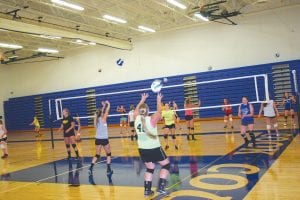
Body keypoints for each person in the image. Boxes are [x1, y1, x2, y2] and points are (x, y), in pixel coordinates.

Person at [134, 93, 170, 196]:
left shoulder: (136, 118)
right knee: (166, 165)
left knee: (150, 168)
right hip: (154, 148)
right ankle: (161, 188)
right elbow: (159, 112)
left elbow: (137, 109)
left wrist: (142, 99)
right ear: (148, 111)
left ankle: (147, 191)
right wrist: (158, 100)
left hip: (142, 149)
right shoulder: (151, 119)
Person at [88, 101, 113, 178]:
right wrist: (108, 104)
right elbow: (107, 110)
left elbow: (101, 112)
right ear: (101, 114)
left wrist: (103, 106)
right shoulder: (104, 118)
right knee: (108, 154)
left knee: (97, 155)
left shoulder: (96, 120)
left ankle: (90, 168)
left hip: (97, 139)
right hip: (104, 139)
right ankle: (108, 170)